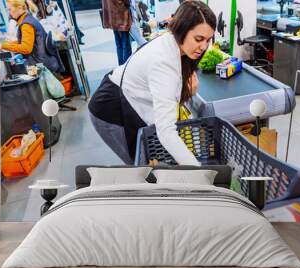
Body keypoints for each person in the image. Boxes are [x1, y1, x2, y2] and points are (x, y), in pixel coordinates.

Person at [89, 1, 216, 165]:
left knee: (156, 161)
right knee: (141, 167)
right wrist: (199, 172)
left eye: (208, 40)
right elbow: (166, 133)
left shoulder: (175, 45)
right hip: (110, 111)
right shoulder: (163, 62)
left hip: (130, 98)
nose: (203, 47)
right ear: (181, 30)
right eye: (199, 39)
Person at [1, 0, 61, 73]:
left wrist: (2, 46)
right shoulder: (28, 18)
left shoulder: (26, 24)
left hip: (41, 65)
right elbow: (27, 41)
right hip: (44, 61)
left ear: (19, 8)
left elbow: (26, 48)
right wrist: (7, 44)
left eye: (9, 9)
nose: (9, 13)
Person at [102, 0, 133, 65]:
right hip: (120, 14)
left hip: (112, 14)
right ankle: (126, 67)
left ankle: (121, 67)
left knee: (119, 44)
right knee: (125, 45)